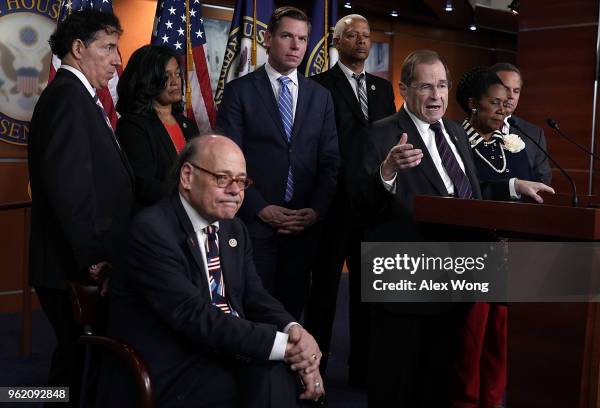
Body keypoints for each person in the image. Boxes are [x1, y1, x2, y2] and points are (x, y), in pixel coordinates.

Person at [353, 49, 554, 407]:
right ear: (404, 88)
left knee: (438, 385)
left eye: (442, 85)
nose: (436, 96)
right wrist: (386, 172)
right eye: (426, 87)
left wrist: (513, 186)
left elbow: (465, 195)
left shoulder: (455, 134)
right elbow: (358, 205)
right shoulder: (381, 135)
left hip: (454, 282)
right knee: (397, 387)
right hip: (407, 284)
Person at [103, 135, 325, 408]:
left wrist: (297, 333)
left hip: (224, 350)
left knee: (277, 373)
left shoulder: (234, 229)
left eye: (242, 181)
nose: (236, 191)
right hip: (174, 363)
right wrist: (287, 348)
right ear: (187, 176)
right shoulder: (152, 230)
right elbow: (194, 315)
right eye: (223, 178)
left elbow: (255, 297)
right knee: (273, 375)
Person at [27, 10, 133, 405]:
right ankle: (26, 398)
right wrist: (92, 257)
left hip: (75, 262)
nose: (117, 59)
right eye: (107, 48)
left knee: (77, 360)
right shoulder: (68, 98)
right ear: (77, 49)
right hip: (72, 267)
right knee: (74, 364)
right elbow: (68, 189)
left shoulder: (78, 98)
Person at [216, 6, 339, 319]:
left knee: (292, 313)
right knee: (252, 313)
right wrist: (259, 207)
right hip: (254, 226)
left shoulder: (321, 96)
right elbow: (230, 160)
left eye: (302, 38)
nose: (296, 45)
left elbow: (329, 161)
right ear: (268, 38)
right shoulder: (239, 92)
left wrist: (315, 211)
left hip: (302, 227)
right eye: (287, 36)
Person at [305, 14, 395, 383]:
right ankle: (315, 370)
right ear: (336, 42)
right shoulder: (318, 86)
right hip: (333, 206)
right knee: (324, 294)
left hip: (372, 206)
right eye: (353, 35)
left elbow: (388, 141)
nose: (361, 41)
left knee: (366, 295)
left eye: (366, 35)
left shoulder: (383, 89)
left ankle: (362, 370)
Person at [449, 66, 539, 408]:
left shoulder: (514, 145)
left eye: (507, 103)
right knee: (469, 344)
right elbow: (462, 194)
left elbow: (531, 195)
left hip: (507, 255)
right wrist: (511, 189)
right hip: (469, 255)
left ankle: (491, 402)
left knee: (498, 342)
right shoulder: (453, 139)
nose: (505, 110)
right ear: (472, 104)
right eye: (495, 103)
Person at [116, 44, 199, 210]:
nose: (175, 81)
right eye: (166, 76)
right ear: (147, 80)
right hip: (157, 220)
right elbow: (143, 183)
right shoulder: (132, 126)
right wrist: (189, 199)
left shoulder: (187, 125)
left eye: (177, 73)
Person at [491, 62, 552, 184]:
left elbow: (543, 179)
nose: (511, 96)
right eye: (505, 89)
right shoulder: (466, 129)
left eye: (516, 91)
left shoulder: (534, 134)